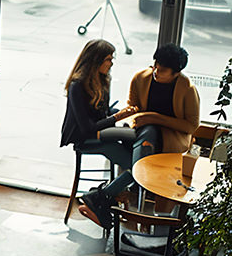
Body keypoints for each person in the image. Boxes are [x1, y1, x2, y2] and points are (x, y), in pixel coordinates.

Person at [78, 44, 200, 226]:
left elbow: (191, 126)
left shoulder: (188, 90)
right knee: (140, 142)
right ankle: (106, 197)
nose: (156, 70)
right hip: (140, 134)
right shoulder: (141, 78)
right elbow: (133, 108)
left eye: (163, 69)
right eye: (155, 64)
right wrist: (137, 118)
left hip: (170, 141)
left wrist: (154, 117)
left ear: (176, 73)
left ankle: (104, 197)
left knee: (144, 146)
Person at [60, 40, 139, 227]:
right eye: (108, 59)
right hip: (84, 138)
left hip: (99, 134)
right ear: (95, 61)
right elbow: (87, 128)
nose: (111, 63)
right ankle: (102, 197)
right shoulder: (77, 85)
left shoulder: (103, 80)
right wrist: (118, 117)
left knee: (133, 140)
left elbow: (101, 115)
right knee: (137, 167)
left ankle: (103, 200)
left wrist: (122, 113)